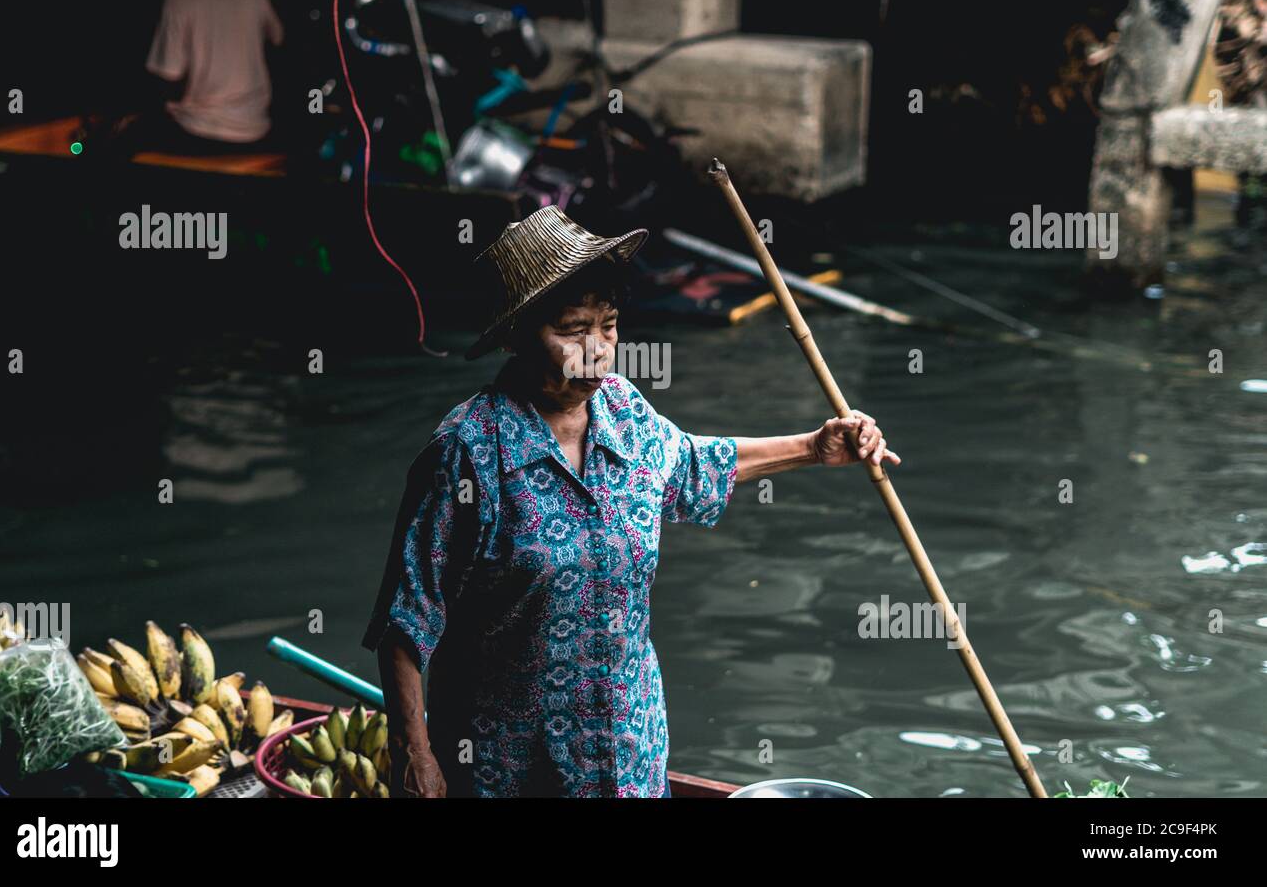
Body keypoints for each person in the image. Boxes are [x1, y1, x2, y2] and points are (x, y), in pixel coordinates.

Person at [361, 205, 901, 798]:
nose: (597, 350)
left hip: (629, 755)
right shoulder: (467, 452)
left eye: (609, 325)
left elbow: (695, 464)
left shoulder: (625, 412)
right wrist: (416, 753)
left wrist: (814, 447)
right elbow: (405, 624)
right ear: (517, 335)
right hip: (510, 767)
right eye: (572, 330)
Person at [106, 0, 283, 157]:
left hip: (197, 130)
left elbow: (168, 78)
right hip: (256, 127)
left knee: (114, 143)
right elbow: (277, 39)